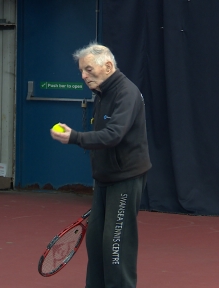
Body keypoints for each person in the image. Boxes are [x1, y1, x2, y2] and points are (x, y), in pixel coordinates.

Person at [50, 42, 151, 288]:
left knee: (116, 246)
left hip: (125, 179)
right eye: (81, 71)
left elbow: (113, 135)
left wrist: (75, 137)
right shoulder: (102, 94)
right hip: (105, 179)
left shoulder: (126, 93)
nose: (84, 76)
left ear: (107, 66)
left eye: (88, 69)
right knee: (96, 244)